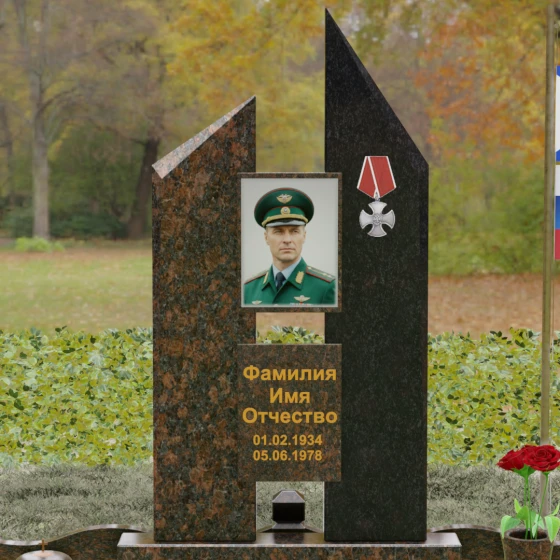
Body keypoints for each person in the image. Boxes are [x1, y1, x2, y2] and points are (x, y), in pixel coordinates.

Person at [244, 187, 336, 306]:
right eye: (278, 231)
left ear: (304, 236)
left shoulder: (326, 288)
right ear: (266, 237)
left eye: (294, 231)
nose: (287, 240)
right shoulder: (248, 290)